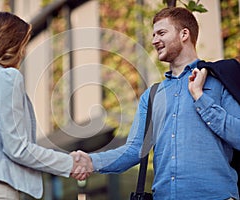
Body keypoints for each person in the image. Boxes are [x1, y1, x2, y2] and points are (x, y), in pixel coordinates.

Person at [72, 7, 240, 200]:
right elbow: (134, 150)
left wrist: (200, 97)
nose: (154, 41)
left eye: (161, 33)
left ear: (184, 34)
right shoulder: (152, 96)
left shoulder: (218, 80)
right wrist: (90, 161)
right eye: (153, 35)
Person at [0, 12, 90, 200]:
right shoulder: (6, 78)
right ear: (12, 45)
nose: (24, 52)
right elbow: (17, 148)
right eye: (23, 45)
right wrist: (70, 164)